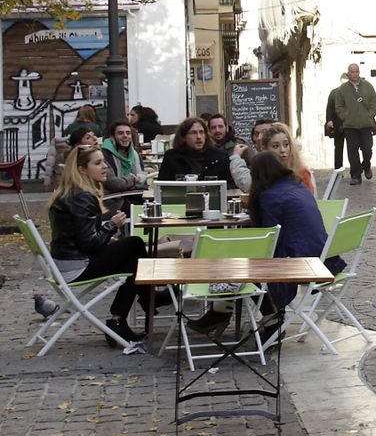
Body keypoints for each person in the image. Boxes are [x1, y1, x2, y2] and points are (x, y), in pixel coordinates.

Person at [47, 146, 150, 347]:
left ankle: (121, 319)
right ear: (82, 170)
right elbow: (89, 242)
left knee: (132, 262)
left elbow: (80, 234)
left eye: (103, 161)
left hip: (65, 261)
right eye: (98, 163)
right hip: (76, 266)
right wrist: (112, 226)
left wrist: (106, 235)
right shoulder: (82, 196)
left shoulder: (71, 192)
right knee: (135, 243)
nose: (105, 167)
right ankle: (145, 302)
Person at [247, 151, 342, 343]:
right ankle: (271, 318)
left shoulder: (270, 197)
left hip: (305, 263)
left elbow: (269, 239)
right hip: (325, 258)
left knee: (246, 270)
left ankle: (272, 321)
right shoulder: (297, 184)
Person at [331, 63, 376, 185]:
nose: (355, 74)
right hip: (350, 126)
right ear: (348, 74)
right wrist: (345, 117)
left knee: (367, 150)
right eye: (352, 72)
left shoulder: (368, 86)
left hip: (366, 125)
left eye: (356, 71)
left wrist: (370, 115)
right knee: (352, 151)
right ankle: (356, 175)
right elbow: (339, 106)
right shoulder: (342, 89)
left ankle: (366, 165)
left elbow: (373, 102)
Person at [157, 116, 235, 186]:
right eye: (193, 133)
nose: (199, 137)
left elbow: (230, 185)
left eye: (201, 132)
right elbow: (162, 186)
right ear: (183, 137)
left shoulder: (220, 157)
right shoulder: (172, 157)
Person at [260, 122, 316, 194]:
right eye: (275, 146)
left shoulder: (301, 172)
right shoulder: (262, 173)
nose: (282, 150)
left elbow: (308, 201)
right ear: (265, 149)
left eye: (286, 145)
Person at [101, 121, 147, 195]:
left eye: (128, 133)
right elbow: (113, 184)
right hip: (114, 198)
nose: (125, 136)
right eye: (120, 133)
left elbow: (143, 180)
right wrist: (132, 179)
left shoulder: (135, 154)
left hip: (135, 193)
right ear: (112, 137)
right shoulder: (105, 154)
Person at [323, 86, 344, 173]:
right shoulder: (334, 92)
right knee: (338, 148)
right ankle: (338, 170)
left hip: (350, 124)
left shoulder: (353, 92)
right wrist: (329, 120)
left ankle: (355, 172)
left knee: (352, 148)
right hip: (338, 125)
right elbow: (330, 107)